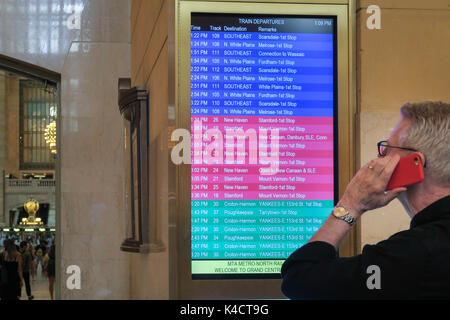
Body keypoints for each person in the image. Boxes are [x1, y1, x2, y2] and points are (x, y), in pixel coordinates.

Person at [281, 101, 450, 299]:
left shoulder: (414, 254)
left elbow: (299, 279)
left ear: (415, 164)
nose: (379, 158)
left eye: (387, 148)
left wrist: (350, 204)